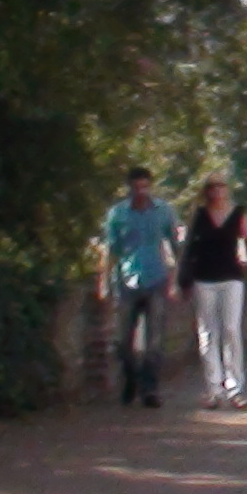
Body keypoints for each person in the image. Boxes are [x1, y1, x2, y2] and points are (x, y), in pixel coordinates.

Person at [100, 167, 182, 408]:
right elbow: (111, 250)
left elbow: (175, 247)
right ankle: (130, 379)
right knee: (122, 341)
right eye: (136, 187)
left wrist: (177, 279)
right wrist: (104, 282)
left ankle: (150, 389)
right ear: (129, 188)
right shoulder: (118, 214)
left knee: (154, 341)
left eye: (145, 187)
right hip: (127, 281)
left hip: (156, 279)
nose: (141, 192)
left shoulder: (163, 211)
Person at [181, 177, 247, 411]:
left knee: (231, 330)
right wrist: (181, 280)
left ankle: (235, 387)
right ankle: (213, 388)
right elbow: (188, 249)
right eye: (212, 187)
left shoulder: (238, 214)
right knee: (208, 333)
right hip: (203, 279)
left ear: (226, 190)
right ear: (206, 191)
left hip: (231, 278)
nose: (217, 191)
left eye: (220, 187)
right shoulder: (199, 215)